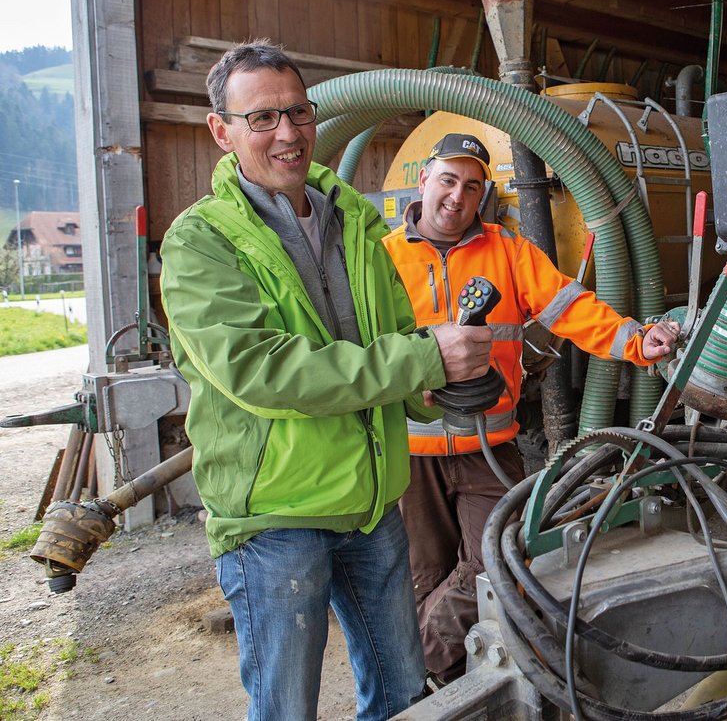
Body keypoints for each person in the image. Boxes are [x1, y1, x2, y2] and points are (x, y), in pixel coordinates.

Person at [159, 41, 492, 721]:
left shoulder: (354, 220)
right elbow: (264, 371)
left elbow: (393, 336)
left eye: (299, 112)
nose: (288, 133)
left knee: (403, 696)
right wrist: (424, 360)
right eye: (262, 118)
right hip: (276, 520)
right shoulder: (201, 242)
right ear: (221, 131)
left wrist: (432, 386)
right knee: (287, 710)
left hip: (371, 506)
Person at [382, 132, 679, 683]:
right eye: (447, 180)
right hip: (410, 453)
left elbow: (572, 308)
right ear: (423, 178)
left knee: (497, 566)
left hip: (488, 449)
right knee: (422, 577)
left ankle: (416, 670)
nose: (456, 196)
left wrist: (638, 341)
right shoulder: (382, 257)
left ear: (482, 195)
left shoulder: (508, 251)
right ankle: (448, 688)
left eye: (472, 186)